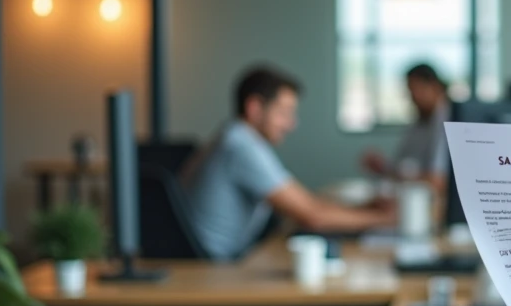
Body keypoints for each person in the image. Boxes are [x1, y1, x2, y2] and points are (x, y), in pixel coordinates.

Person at [182, 66, 396, 260]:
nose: (291, 124)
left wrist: (364, 209)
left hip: (227, 260)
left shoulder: (237, 138)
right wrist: (388, 219)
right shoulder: (240, 146)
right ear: (254, 108)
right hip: (213, 271)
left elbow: (306, 204)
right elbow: (313, 216)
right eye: (284, 113)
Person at [360, 62, 452, 199]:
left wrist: (402, 175)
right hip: (410, 197)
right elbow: (402, 166)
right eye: (410, 92)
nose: (413, 98)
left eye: (416, 90)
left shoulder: (449, 121)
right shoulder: (419, 121)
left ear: (435, 87)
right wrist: (384, 167)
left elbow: (437, 180)